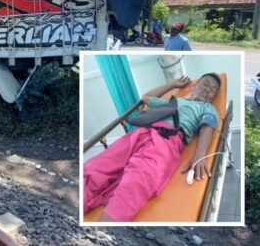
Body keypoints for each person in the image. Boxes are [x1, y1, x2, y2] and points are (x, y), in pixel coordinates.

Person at [83, 73, 221, 222]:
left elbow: (207, 127)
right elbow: (146, 97)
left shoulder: (207, 108)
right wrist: (173, 84)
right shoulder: (173, 102)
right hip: (139, 134)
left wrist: (200, 154)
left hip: (167, 140)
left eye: (213, 90)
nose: (208, 90)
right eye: (206, 84)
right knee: (96, 168)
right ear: (195, 84)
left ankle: (103, 227)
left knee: (139, 178)